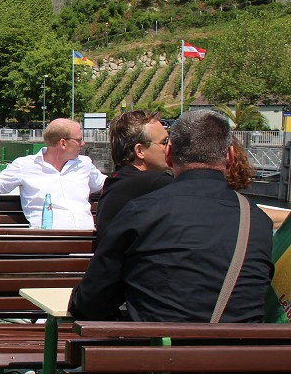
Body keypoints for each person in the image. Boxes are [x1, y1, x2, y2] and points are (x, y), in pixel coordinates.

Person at [68, 110, 274, 322]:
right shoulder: (257, 221)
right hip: (242, 352)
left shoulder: (141, 212)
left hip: (160, 351)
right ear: (230, 156)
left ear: (169, 153)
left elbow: (90, 304)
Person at [94, 110, 173, 244]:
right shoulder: (156, 184)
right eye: (164, 142)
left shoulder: (116, 182)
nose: (170, 146)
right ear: (140, 151)